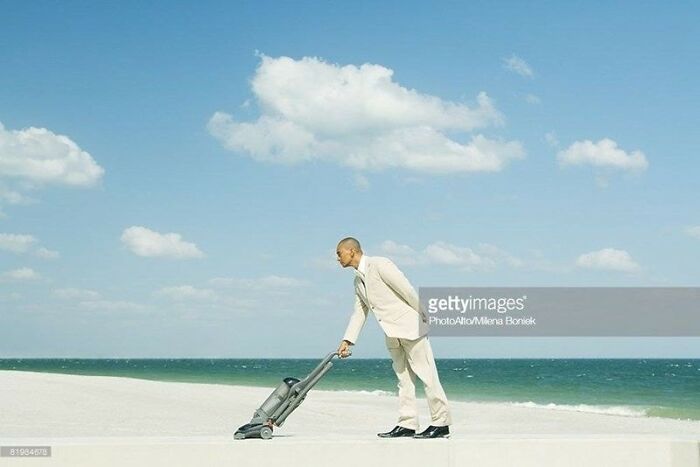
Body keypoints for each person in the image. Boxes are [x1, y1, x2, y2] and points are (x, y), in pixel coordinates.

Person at [335, 237, 452, 439]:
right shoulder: (357, 280)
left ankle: (441, 423)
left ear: (352, 251)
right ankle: (407, 424)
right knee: (403, 380)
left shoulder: (380, 264)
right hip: (391, 334)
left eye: (339, 253)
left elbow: (405, 289)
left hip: (410, 328)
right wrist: (348, 340)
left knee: (427, 375)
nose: (337, 258)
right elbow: (360, 312)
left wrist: (423, 315)